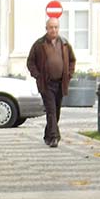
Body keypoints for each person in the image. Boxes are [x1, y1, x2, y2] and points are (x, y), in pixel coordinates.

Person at [27, 18, 76, 147]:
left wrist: (69, 74)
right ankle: (54, 137)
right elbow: (30, 62)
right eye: (51, 27)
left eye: (56, 27)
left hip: (60, 83)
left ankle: (48, 135)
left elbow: (72, 60)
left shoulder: (64, 44)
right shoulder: (39, 44)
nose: (53, 30)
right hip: (46, 83)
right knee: (51, 110)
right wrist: (37, 75)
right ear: (46, 29)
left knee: (56, 111)